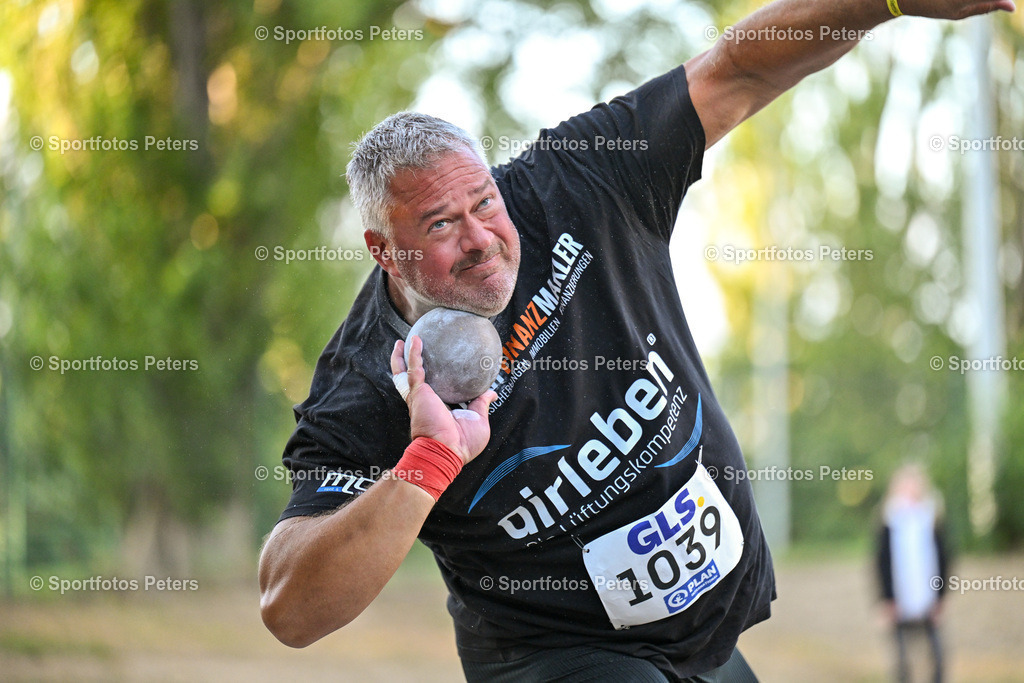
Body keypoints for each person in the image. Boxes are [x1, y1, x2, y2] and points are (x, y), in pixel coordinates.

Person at [259, 1, 1014, 680]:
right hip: (551, 654)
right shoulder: (368, 378)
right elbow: (289, 607)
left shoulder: (577, 185)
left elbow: (734, 72)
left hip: (704, 638)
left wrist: (884, 2)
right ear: (384, 251)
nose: (481, 238)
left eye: (483, 202)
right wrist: (428, 461)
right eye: (440, 225)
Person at [876, 464, 949, 683]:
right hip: (899, 597)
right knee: (902, 658)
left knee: (937, 655)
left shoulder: (932, 518)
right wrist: (887, 599)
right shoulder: (888, 522)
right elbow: (882, 563)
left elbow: (944, 559)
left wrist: (940, 596)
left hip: (928, 596)